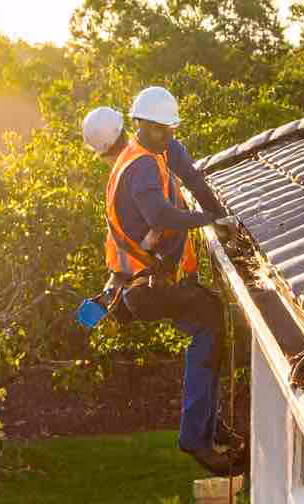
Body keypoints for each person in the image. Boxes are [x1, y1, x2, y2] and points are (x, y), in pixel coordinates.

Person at [81, 89, 241, 475]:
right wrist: (209, 221)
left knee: (211, 323)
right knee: (209, 324)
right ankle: (196, 437)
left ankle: (207, 423)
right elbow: (163, 215)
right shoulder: (140, 168)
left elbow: (195, 182)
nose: (169, 135)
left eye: (171, 130)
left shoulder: (160, 150)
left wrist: (221, 215)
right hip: (147, 288)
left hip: (143, 283)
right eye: (162, 129)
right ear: (137, 125)